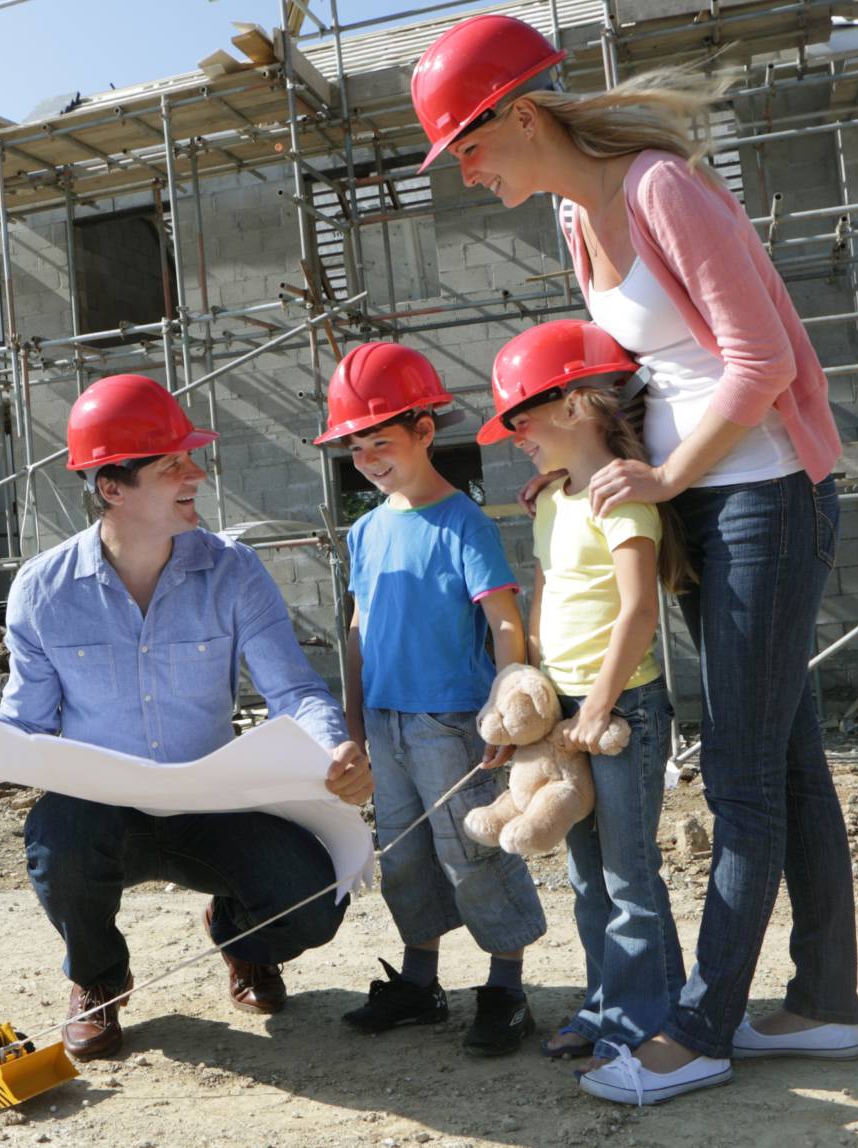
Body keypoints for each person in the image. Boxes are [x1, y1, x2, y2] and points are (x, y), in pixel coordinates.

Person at [413, 13, 858, 1104]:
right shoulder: (575, 220)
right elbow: (633, 382)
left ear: (518, 113)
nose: (464, 172)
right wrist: (594, 470)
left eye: (467, 145)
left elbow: (757, 360)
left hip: (764, 492)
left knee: (742, 773)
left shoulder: (660, 188)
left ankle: (700, 1027)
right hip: (697, 500)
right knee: (787, 757)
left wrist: (662, 479)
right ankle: (824, 1002)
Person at [0, 373, 373, 1062]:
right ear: (114, 487)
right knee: (57, 838)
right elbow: (24, 721)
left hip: (213, 803)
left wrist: (334, 750)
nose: (195, 472)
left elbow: (294, 691)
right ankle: (98, 981)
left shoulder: (235, 572)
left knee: (313, 903)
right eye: (172, 464)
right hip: (101, 810)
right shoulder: (44, 591)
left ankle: (238, 938)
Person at [314, 341, 542, 1058]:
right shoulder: (364, 529)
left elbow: (505, 621)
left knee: (472, 852)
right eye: (356, 446)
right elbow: (358, 630)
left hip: (452, 722)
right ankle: (420, 985)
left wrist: (506, 706)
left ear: (423, 431)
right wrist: (352, 721)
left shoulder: (464, 523)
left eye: (382, 439)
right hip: (385, 722)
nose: (370, 457)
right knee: (405, 856)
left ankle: (506, 988)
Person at [480, 320, 686, 1063]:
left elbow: (637, 609)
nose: (515, 436)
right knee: (585, 874)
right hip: (562, 716)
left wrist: (598, 704)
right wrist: (527, 696)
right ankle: (607, 1005)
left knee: (630, 872)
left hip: (619, 712)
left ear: (576, 405)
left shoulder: (622, 500)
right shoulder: (551, 502)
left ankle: (646, 1017)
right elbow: (546, 596)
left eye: (522, 418)